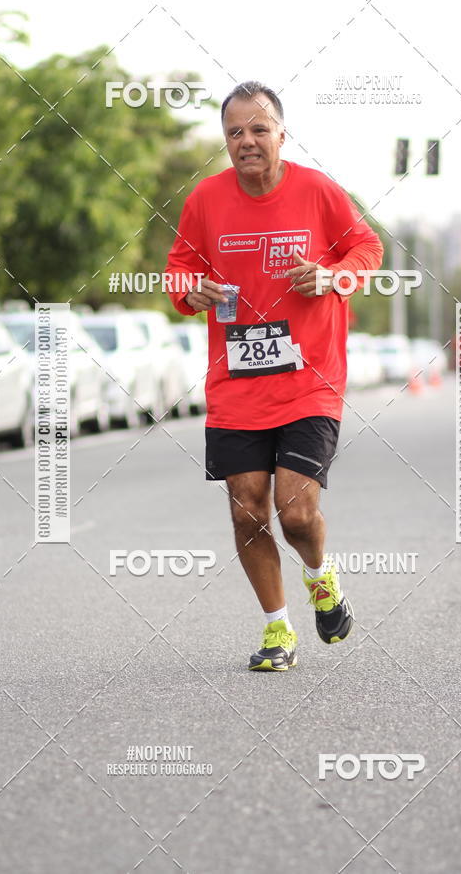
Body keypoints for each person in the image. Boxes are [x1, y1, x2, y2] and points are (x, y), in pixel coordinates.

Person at [166, 80, 383, 669]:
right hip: (236, 383)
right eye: (235, 132)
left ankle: (321, 578)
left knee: (294, 511)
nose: (247, 141)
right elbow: (178, 271)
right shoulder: (206, 200)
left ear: (282, 134)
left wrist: (333, 275)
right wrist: (193, 292)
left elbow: (367, 247)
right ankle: (276, 629)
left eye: (259, 129)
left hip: (310, 378)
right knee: (245, 508)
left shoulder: (316, 190)